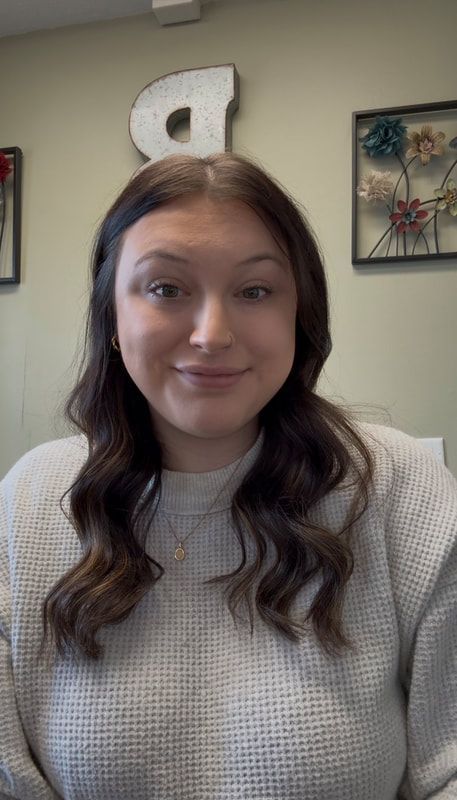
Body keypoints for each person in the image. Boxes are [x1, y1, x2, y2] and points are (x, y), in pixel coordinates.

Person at [0, 151, 456, 800]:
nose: (211, 335)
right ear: (111, 317)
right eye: (166, 289)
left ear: (299, 314)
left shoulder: (399, 488)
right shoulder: (28, 502)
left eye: (254, 291)